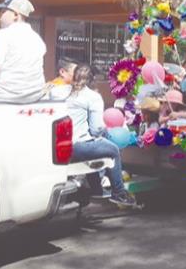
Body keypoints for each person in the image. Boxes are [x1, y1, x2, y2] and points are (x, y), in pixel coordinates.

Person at [50, 64, 137, 207]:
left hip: (58, 146)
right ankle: (119, 193)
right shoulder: (93, 97)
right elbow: (96, 129)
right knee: (113, 150)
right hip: (78, 146)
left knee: (96, 147)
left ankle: (97, 189)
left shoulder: (57, 92)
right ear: (92, 80)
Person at [0, 0, 46, 103]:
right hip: (35, 98)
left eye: (3, 12)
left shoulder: (3, 35)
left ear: (16, 15)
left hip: (3, 99)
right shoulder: (37, 39)